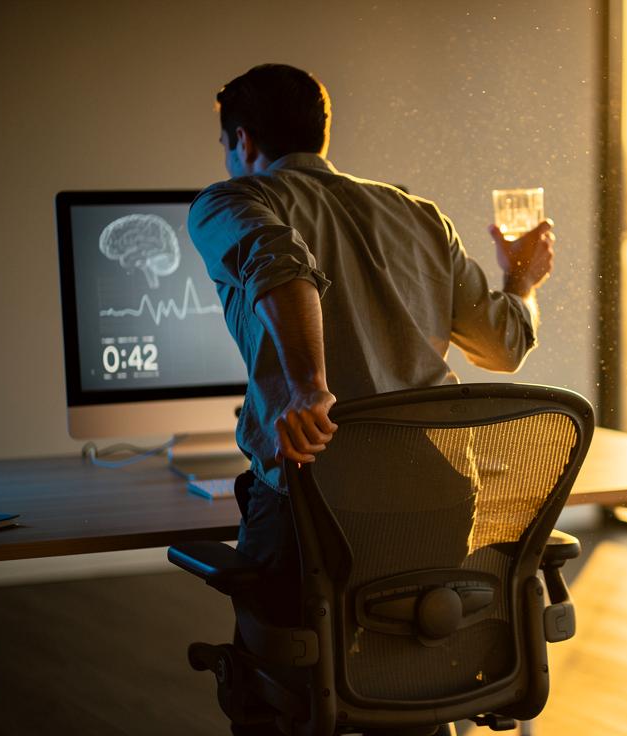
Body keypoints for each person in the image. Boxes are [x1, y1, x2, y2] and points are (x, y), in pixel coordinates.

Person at [187, 61, 555, 660]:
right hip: (437, 505)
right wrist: (522, 282)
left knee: (284, 689)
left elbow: (280, 263)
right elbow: (504, 346)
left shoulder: (233, 200)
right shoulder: (419, 215)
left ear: (243, 141)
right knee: (409, 673)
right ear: (320, 135)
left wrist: (309, 388)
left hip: (314, 509)